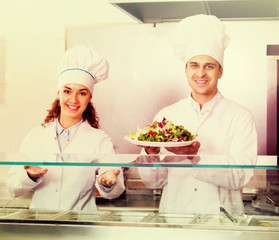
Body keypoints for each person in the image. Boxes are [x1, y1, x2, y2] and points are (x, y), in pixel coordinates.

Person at [137, 14, 257, 216]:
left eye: (209, 66)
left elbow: (240, 176)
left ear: (220, 71)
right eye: (194, 65)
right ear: (185, 70)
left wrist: (194, 157)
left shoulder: (240, 117)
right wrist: (151, 154)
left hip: (221, 222)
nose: (200, 73)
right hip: (176, 220)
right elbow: (152, 182)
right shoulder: (166, 116)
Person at [6, 46, 125, 211]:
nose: (74, 100)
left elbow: (116, 189)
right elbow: (13, 188)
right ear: (58, 93)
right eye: (67, 91)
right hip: (42, 228)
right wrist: (29, 176)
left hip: (81, 229)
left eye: (82, 93)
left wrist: (108, 182)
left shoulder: (99, 139)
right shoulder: (36, 136)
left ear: (89, 97)